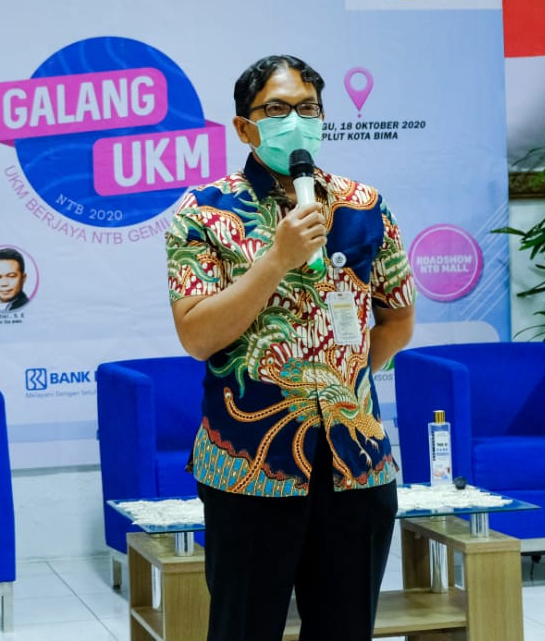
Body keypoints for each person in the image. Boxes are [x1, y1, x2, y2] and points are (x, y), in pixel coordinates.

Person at [165, 54, 417, 641]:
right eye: (276, 110)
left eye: (308, 109)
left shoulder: (364, 204)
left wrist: (340, 381)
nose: (296, 122)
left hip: (357, 464)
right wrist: (276, 258)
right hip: (250, 465)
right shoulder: (203, 212)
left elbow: (398, 319)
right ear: (244, 127)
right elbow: (197, 335)